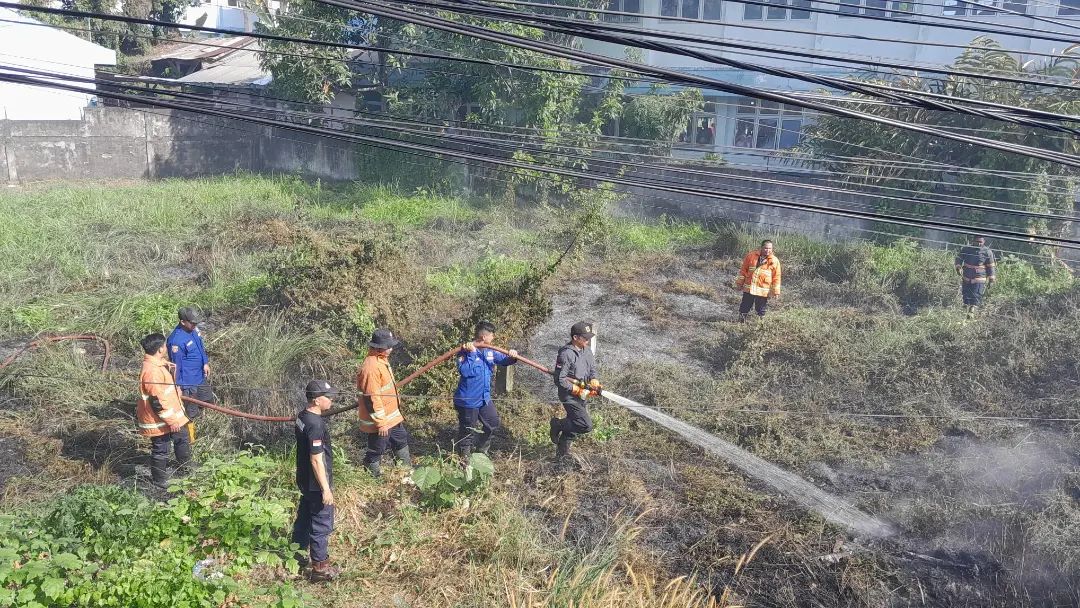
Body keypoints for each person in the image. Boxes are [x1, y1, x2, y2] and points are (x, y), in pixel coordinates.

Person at [292, 379, 341, 582]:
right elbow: (316, 458)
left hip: (304, 479)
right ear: (316, 400)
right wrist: (326, 488)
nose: (331, 401)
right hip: (316, 483)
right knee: (321, 523)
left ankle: (297, 554)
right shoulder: (315, 425)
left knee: (304, 517)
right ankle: (320, 568)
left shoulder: (302, 417)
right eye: (328, 397)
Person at [453, 321, 518, 457]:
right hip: (468, 401)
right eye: (492, 335)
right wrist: (471, 354)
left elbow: (504, 360)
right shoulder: (464, 352)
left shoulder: (490, 351)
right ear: (484, 337)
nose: (493, 338)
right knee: (467, 430)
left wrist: (512, 356)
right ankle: (464, 459)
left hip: (484, 398)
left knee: (492, 422)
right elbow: (465, 371)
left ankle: (481, 450)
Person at [137, 333, 191, 489]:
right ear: (160, 349)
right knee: (161, 448)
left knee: (182, 438)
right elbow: (157, 402)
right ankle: (160, 480)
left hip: (171, 415)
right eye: (165, 345)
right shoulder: (152, 371)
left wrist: (176, 390)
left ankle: (186, 467)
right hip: (159, 419)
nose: (166, 347)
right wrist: (172, 421)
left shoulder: (158, 364)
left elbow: (165, 391)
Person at [357, 328, 410, 477]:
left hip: (393, 416)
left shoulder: (381, 360)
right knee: (377, 448)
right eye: (388, 346)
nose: (391, 348)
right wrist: (381, 423)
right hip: (380, 420)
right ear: (378, 347)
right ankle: (372, 475)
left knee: (401, 440)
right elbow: (371, 398)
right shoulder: (371, 367)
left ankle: (405, 472)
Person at [550, 321, 602, 460]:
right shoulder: (566, 354)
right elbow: (559, 380)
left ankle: (562, 456)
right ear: (575, 338)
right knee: (585, 425)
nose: (587, 340)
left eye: (588, 337)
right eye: (584, 337)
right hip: (569, 397)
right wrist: (575, 389)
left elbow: (592, 370)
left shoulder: (587, 351)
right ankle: (557, 424)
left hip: (582, 395)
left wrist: (594, 380)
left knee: (573, 425)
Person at [167, 306, 215, 442]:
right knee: (190, 413)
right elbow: (176, 366)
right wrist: (179, 386)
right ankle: (190, 440)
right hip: (188, 382)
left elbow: (200, 346)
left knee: (207, 400)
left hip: (200, 376)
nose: (195, 325)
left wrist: (205, 362)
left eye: (196, 323)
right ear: (183, 322)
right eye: (192, 323)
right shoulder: (176, 341)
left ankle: (204, 423)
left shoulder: (193, 330)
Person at [733, 240, 782, 322]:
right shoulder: (751, 256)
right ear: (761, 247)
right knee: (745, 306)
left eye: (770, 248)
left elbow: (776, 277)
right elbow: (743, 271)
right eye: (766, 248)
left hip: (762, 290)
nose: (768, 250)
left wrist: (776, 292)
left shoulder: (774, 260)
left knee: (761, 309)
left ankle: (760, 324)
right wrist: (739, 283)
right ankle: (741, 322)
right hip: (749, 288)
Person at [955, 235, 996, 316]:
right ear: (973, 241)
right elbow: (959, 258)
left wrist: (991, 280)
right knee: (966, 293)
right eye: (977, 242)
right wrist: (958, 267)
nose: (979, 244)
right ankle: (965, 309)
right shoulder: (966, 249)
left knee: (976, 293)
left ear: (984, 242)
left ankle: (972, 311)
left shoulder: (987, 252)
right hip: (966, 276)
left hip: (979, 277)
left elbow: (991, 267)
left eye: (981, 242)